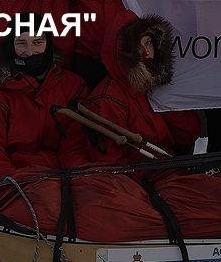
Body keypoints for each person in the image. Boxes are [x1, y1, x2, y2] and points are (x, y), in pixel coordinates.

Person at [0, 21, 89, 183]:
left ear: (48, 44)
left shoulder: (71, 86)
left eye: (38, 42)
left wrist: (78, 178)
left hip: (67, 176)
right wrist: (13, 184)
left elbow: (77, 143)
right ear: (10, 46)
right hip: (14, 182)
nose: (30, 52)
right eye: (21, 43)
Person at [81, 10, 203, 165]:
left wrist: (168, 102)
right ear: (123, 51)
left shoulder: (158, 81)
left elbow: (189, 134)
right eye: (138, 46)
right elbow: (111, 164)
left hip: (167, 168)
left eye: (148, 42)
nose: (147, 52)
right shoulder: (107, 100)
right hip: (140, 176)